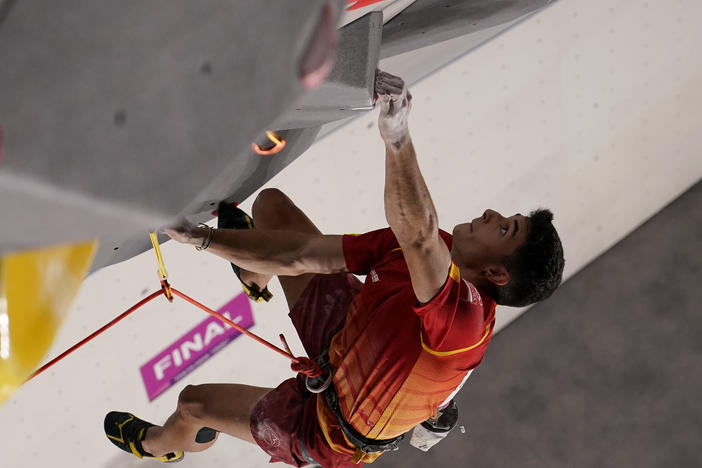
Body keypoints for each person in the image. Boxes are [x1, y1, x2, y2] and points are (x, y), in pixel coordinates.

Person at [104, 71, 564, 467]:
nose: (489, 215)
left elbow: (418, 235)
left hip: (326, 429)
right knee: (272, 209)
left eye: (504, 230)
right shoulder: (424, 249)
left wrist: (397, 135)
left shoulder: (463, 321)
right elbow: (302, 251)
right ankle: (254, 277)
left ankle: (161, 446)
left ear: (497, 275)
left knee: (193, 404)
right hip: (348, 337)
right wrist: (206, 239)